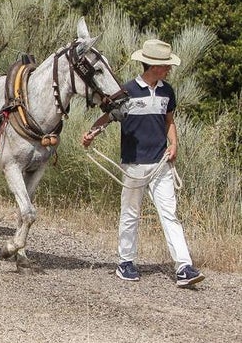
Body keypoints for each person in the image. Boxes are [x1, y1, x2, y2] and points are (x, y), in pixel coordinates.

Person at [82, 39, 204, 287]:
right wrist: (91, 134)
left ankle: (184, 267)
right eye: (165, 65)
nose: (168, 69)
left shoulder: (167, 91)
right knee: (130, 214)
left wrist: (174, 144)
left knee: (170, 214)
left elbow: (169, 121)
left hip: (161, 164)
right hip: (134, 165)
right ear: (153, 66)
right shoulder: (126, 92)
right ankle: (125, 262)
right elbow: (107, 118)